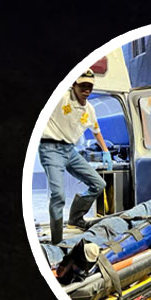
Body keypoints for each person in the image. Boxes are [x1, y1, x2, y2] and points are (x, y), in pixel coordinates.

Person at [38, 69, 114, 244]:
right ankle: (57, 242)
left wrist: (106, 152)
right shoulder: (61, 97)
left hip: (69, 151)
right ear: (74, 85)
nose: (86, 90)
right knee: (58, 195)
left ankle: (75, 218)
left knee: (99, 183)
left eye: (90, 87)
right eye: (83, 86)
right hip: (50, 148)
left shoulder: (90, 109)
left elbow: (96, 131)